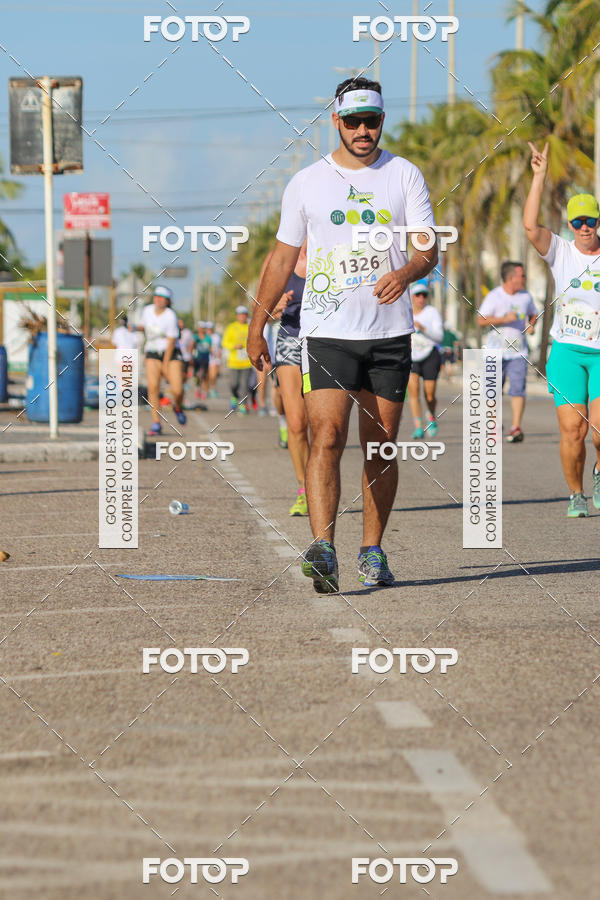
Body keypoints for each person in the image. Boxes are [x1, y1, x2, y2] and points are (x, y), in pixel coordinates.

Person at [247, 77, 437, 592]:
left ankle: (372, 550)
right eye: (352, 121)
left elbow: (428, 248)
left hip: (389, 334)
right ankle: (323, 548)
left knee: (381, 447)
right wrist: (256, 326)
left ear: (382, 120)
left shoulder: (404, 175)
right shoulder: (307, 182)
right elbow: (282, 258)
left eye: (370, 121)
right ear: (336, 121)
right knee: (327, 436)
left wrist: (407, 272)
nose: (362, 130)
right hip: (327, 332)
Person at [524, 141, 600, 517]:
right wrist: (539, 176)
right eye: (578, 222)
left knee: (599, 430)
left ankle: (598, 471)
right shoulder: (561, 251)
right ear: (570, 225)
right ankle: (576, 494)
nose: (585, 228)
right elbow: (529, 226)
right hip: (567, 352)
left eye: (591, 221)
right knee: (574, 430)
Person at [257, 241, 309, 514]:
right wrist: (274, 308)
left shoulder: (333, 247)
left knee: (327, 425)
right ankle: (305, 489)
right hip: (290, 339)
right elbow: (260, 309)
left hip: (328, 340)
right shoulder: (276, 258)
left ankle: (323, 482)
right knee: (297, 423)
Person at [477, 262, 538, 443]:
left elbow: (533, 314)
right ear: (511, 278)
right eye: (522, 275)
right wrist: (504, 319)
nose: (524, 278)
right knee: (492, 391)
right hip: (495, 352)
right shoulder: (494, 296)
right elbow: (480, 320)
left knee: (518, 389)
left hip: (518, 352)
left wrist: (531, 325)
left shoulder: (526, 296)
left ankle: (516, 427)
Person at [139, 286, 186, 435]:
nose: (158, 300)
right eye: (156, 296)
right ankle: (156, 423)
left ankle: (177, 407)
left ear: (168, 301)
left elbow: (171, 341)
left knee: (177, 389)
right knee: (153, 387)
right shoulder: (147, 311)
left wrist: (165, 365)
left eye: (162, 298)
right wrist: (133, 327)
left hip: (170, 353)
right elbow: (145, 327)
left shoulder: (170, 315)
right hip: (152, 352)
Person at [407, 280, 444, 438]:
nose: (421, 298)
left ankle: (431, 416)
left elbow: (439, 337)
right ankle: (418, 427)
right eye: (418, 295)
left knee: (429, 394)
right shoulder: (406, 311)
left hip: (430, 355)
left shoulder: (432, 312)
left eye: (424, 295)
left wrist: (423, 328)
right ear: (412, 296)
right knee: (413, 390)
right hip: (411, 357)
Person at [223, 306, 253, 414]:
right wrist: (234, 346)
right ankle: (234, 396)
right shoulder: (231, 327)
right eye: (240, 315)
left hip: (246, 362)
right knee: (234, 384)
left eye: (244, 315)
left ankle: (243, 405)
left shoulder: (250, 327)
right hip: (234, 362)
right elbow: (225, 342)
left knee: (244, 385)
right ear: (237, 316)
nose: (242, 317)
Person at [193, 322, 211, 400]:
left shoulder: (208, 338)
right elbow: (192, 345)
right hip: (197, 358)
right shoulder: (195, 337)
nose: (202, 329)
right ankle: (198, 388)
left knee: (204, 375)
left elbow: (210, 348)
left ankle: (204, 391)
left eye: (203, 328)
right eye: (200, 328)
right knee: (197, 375)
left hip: (205, 358)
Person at [205, 322, 221, 398]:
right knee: (207, 376)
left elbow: (220, 346)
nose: (209, 330)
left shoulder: (216, 337)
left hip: (215, 359)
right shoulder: (204, 336)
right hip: (205, 358)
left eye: (210, 328)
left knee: (213, 376)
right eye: (207, 329)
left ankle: (212, 388)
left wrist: (219, 354)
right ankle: (207, 390)